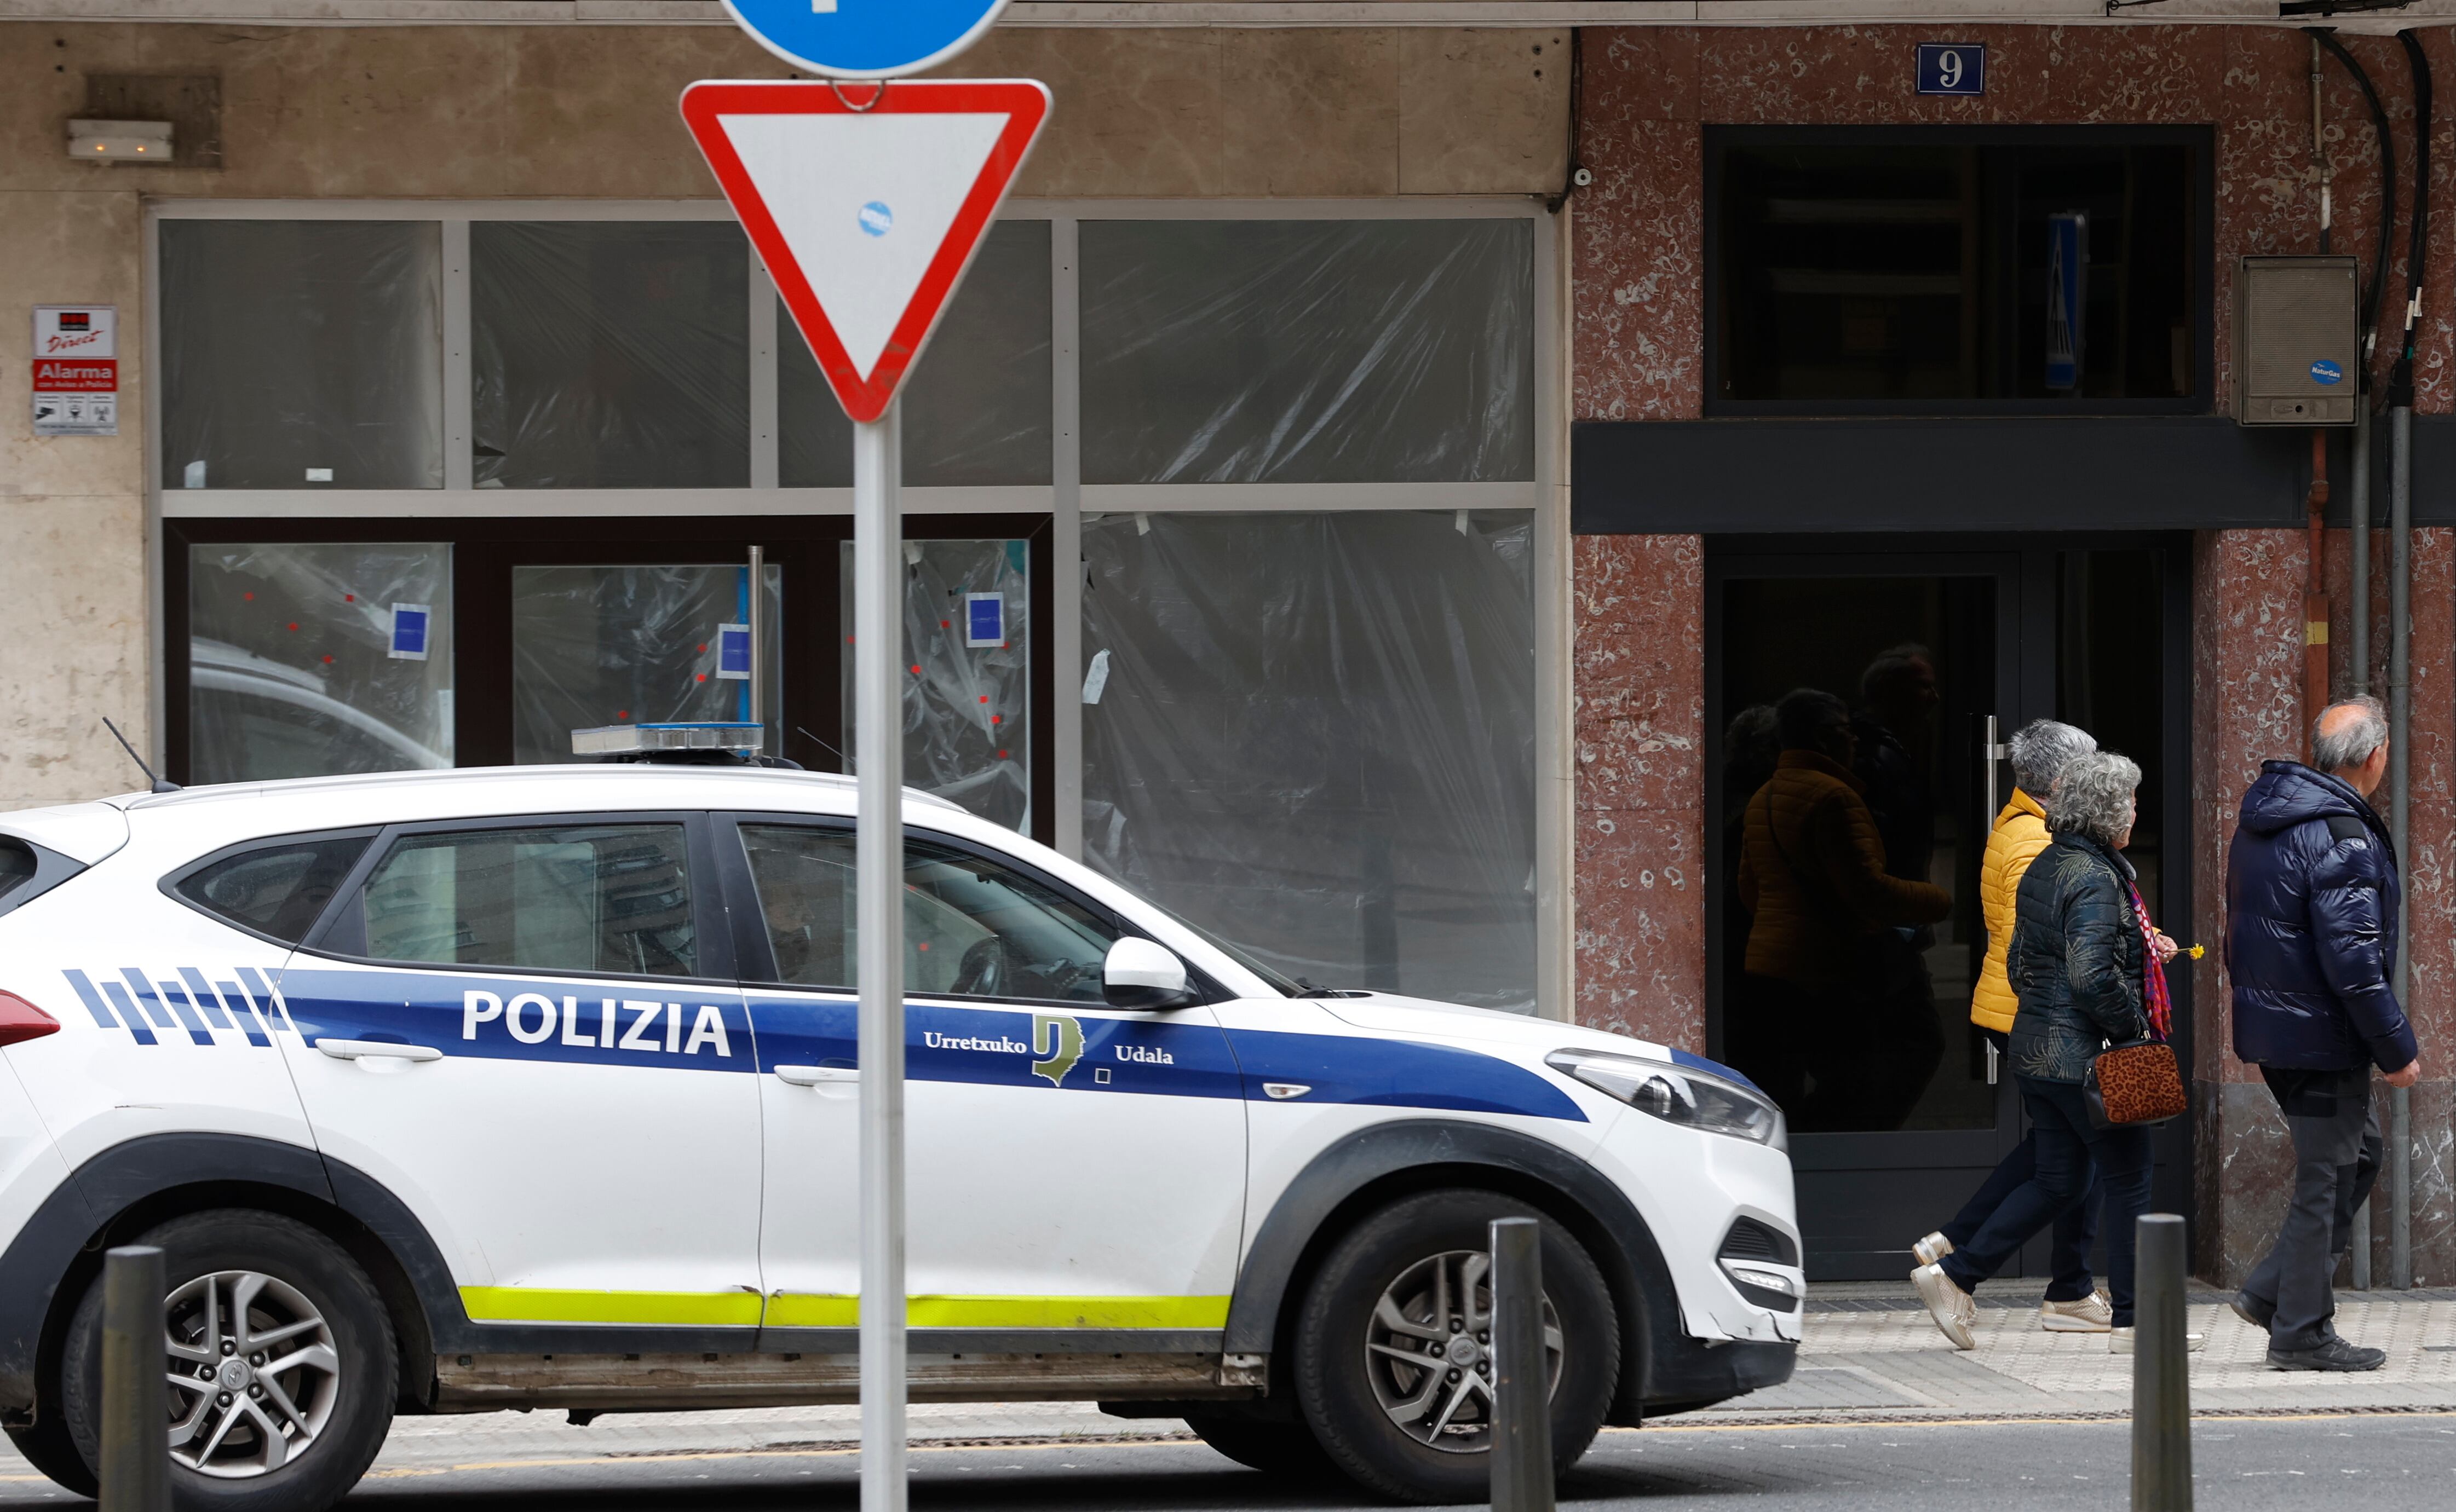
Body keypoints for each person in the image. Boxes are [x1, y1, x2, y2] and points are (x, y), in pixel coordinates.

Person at [1913, 752, 2170, 1352]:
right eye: (2130, 800)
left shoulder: (2051, 862)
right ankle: (2136, 1322)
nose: (2137, 810)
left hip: (2038, 1048)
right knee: (2130, 1177)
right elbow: (2091, 976)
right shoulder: (2097, 876)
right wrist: (2134, 1028)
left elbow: (2020, 962)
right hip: (2085, 1056)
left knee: (2057, 1179)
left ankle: (1955, 1274)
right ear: (2108, 811)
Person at [2225, 696, 2420, 1372]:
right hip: (2320, 1035)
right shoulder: (2341, 832)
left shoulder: (2265, 821)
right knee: (2328, 1176)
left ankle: (2270, 1290)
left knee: (2358, 1154)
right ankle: (2301, 1331)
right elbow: (2356, 965)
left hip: (2277, 1030)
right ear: (2374, 757)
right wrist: (2396, 1048)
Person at [1735, 688, 1950, 1130]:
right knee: (1872, 1072)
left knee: (1817, 1073)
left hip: (1777, 965)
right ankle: (1836, 1154)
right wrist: (1937, 900)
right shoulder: (1834, 797)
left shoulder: (1766, 795)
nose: (1855, 743)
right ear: (1825, 736)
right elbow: (1867, 891)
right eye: (1847, 733)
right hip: (1831, 963)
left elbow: (1749, 888)